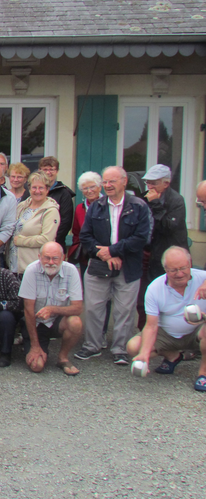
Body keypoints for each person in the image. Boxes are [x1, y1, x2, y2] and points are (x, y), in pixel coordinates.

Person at [75, 166, 151, 364]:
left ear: (124, 182)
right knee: (93, 307)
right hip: (99, 264)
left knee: (124, 310)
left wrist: (114, 251)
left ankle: (120, 349)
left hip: (128, 266)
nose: (107, 186)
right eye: (105, 182)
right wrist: (105, 254)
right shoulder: (97, 207)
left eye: (112, 181)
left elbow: (142, 238)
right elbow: (85, 236)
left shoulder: (139, 206)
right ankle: (92, 345)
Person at [127, 247, 206, 392]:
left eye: (183, 268)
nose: (179, 273)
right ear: (165, 269)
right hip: (167, 335)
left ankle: (203, 374)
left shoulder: (202, 278)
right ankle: (174, 356)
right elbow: (151, 326)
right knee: (134, 347)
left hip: (198, 332)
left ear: (190, 264)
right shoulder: (154, 288)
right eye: (173, 270)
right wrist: (144, 353)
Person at [19, 243, 84, 376]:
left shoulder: (71, 271)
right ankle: (34, 346)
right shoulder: (31, 270)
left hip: (57, 321)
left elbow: (78, 308)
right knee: (36, 366)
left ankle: (63, 358)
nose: (50, 262)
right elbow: (28, 311)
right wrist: (35, 346)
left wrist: (52, 309)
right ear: (39, 257)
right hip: (36, 322)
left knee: (75, 322)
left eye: (55, 258)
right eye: (46, 258)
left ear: (63, 258)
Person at [8, 172, 60, 276]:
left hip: (33, 267)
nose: (37, 191)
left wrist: (21, 241)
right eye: (34, 187)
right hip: (13, 266)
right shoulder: (22, 206)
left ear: (47, 189)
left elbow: (46, 239)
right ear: (29, 189)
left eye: (41, 188)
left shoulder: (51, 211)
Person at [141, 164, 188, 281]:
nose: (150, 187)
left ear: (166, 184)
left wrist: (155, 204)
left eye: (154, 183)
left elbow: (168, 227)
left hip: (169, 252)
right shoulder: (144, 198)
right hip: (149, 251)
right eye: (148, 183)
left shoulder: (177, 200)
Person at [38, 157, 75, 251]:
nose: (48, 172)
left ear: (57, 171)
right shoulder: (33, 192)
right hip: (34, 244)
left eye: (52, 169)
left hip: (55, 245)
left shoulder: (64, 194)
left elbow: (65, 223)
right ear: (39, 171)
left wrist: (51, 241)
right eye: (45, 169)